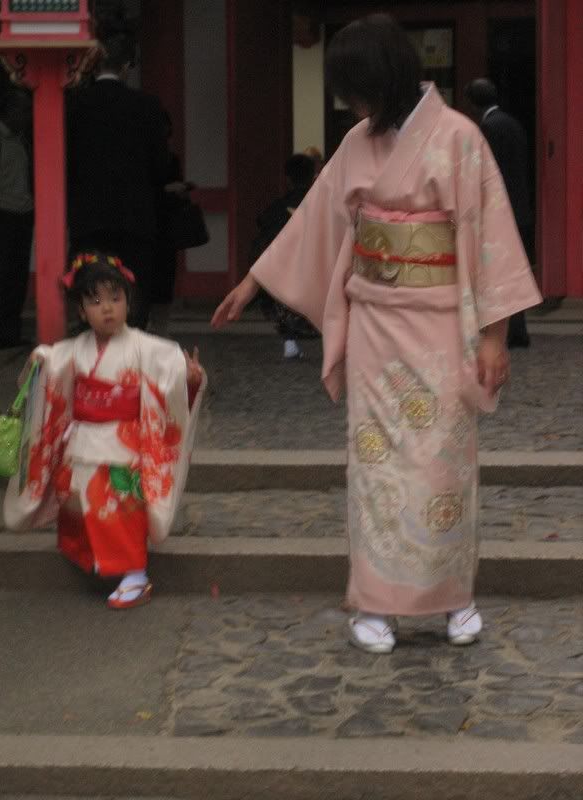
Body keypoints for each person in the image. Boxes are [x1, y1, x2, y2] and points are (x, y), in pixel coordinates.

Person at [213, 14, 541, 653]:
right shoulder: (356, 143)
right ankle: (376, 603)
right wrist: (252, 282)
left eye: (357, 93)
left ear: (384, 80)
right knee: (376, 468)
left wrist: (494, 337)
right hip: (374, 329)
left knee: (443, 465)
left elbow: (490, 240)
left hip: (441, 326)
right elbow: (315, 219)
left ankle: (455, 599)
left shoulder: (459, 138)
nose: (352, 106)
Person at [4, 252, 205, 609]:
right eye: (95, 302)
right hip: (82, 441)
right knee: (78, 503)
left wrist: (188, 379)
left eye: (115, 298)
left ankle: (135, 574)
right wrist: (40, 363)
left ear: (128, 302)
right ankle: (98, 560)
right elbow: (51, 366)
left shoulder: (147, 347)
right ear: (82, 311)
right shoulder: (73, 350)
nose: (107, 308)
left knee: (119, 507)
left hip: (122, 444)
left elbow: (170, 380)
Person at [66, 33, 169, 330]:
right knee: (133, 290)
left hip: (88, 215)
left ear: (93, 65)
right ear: (127, 66)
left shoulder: (75, 105)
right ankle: (130, 344)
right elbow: (160, 167)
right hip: (134, 215)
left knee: (90, 285)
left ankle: (91, 344)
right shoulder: (147, 106)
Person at [466, 78, 534, 348]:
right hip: (520, 204)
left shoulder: (488, 128)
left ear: (473, 104)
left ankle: (508, 331)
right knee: (513, 270)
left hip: (502, 206)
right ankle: (518, 330)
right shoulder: (512, 123)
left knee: (498, 271)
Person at [250, 153, 318, 359]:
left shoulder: (279, 206)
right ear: (313, 176)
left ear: (287, 178)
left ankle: (289, 342)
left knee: (277, 294)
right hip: (318, 268)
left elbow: (263, 224)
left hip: (287, 270)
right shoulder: (321, 203)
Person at [0, 89, 33, 349]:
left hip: (23, 214)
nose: (26, 116)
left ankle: (10, 333)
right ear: (9, 111)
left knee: (17, 277)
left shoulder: (24, 141)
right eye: (22, 110)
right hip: (0, 212)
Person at [148, 111, 190, 338]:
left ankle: (160, 329)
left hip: (166, 226)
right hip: (148, 224)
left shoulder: (172, 159)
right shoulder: (142, 159)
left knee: (164, 282)